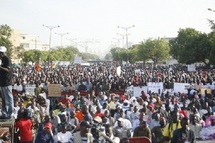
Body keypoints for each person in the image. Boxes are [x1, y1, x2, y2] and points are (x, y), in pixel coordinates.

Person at [0, 46, 13, 119]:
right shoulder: (2, 60)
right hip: (2, 83)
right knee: (4, 99)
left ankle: (9, 113)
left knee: (9, 99)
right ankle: (4, 114)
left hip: (7, 83)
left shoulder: (7, 59)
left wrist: (0, 67)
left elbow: (8, 69)